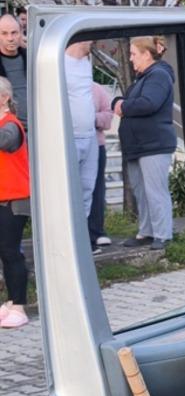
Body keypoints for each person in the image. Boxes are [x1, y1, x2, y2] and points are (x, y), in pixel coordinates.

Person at [114, 36, 176, 250]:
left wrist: (123, 106)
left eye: (133, 54)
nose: (130, 59)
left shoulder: (158, 76)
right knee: (141, 191)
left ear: (147, 54)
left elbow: (149, 103)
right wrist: (118, 103)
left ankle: (163, 234)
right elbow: (127, 100)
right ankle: (146, 232)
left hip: (154, 145)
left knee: (155, 191)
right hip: (138, 146)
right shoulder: (143, 78)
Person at [0, 77, 30, 329]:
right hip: (3, 198)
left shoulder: (12, 125)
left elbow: (5, 141)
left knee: (11, 253)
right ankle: (10, 303)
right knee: (5, 252)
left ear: (4, 98)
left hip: (13, 200)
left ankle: (19, 304)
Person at [64, 40, 98, 226]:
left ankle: (81, 231)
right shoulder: (60, 62)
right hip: (71, 135)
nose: (94, 42)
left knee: (87, 187)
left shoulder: (87, 61)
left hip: (90, 134)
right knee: (68, 189)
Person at [88, 82, 115, 249]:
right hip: (69, 145)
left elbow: (108, 114)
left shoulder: (96, 89)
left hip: (97, 144)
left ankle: (97, 231)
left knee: (97, 188)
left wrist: (92, 118)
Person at [0, 14, 28, 124]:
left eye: (14, 32)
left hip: (37, 128)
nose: (10, 38)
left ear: (21, 32)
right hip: (8, 130)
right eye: (4, 33)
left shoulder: (32, 58)